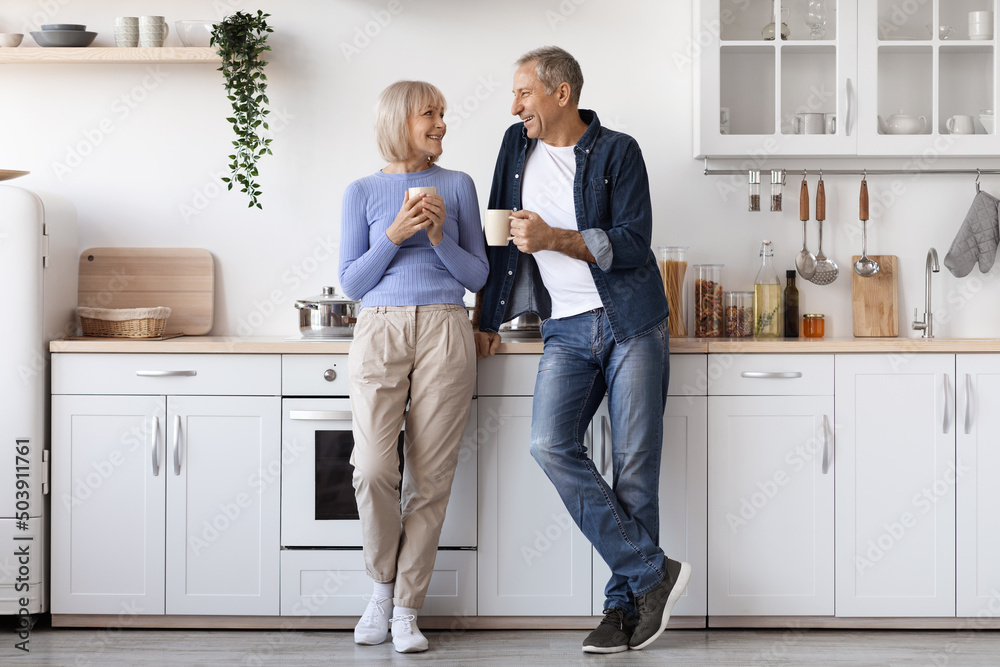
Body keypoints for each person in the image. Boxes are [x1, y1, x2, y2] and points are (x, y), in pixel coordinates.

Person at [474, 46, 690, 654]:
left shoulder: (619, 151)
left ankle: (623, 612)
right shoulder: (515, 149)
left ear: (560, 93)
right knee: (548, 444)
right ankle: (653, 572)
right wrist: (487, 317)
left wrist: (555, 238)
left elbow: (634, 243)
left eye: (524, 93)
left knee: (635, 470)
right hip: (564, 328)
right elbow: (498, 239)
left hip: (631, 322)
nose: (515, 105)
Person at [339, 80, 488, 653]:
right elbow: (353, 282)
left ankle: (405, 608)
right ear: (401, 120)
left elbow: (477, 276)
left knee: (429, 480)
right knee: (373, 469)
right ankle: (380, 586)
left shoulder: (458, 186)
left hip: (448, 327)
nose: (442, 124)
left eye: (443, 114)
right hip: (379, 328)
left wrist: (439, 236)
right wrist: (397, 236)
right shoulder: (360, 192)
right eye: (431, 114)